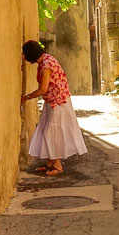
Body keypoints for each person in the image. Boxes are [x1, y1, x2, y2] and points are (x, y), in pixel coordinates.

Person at [21, 40, 87, 175]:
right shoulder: (46, 60)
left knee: (53, 134)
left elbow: (43, 89)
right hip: (53, 101)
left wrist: (26, 97)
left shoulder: (46, 65)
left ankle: (57, 165)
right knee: (47, 131)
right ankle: (51, 162)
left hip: (58, 103)